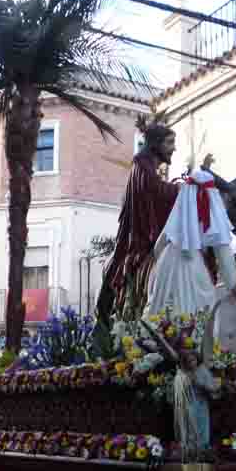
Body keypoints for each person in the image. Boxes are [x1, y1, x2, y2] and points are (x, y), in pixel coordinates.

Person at [96, 123, 181, 325]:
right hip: (137, 237)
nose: (174, 148)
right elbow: (151, 190)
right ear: (156, 144)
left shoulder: (146, 164)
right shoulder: (142, 164)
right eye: (170, 143)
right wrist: (179, 190)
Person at [144, 167, 236, 317]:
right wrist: (234, 285)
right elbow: (223, 254)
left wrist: (163, 267)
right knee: (199, 319)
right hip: (193, 268)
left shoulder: (178, 213)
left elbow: (158, 247)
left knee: (161, 319)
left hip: (166, 266)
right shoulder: (213, 213)